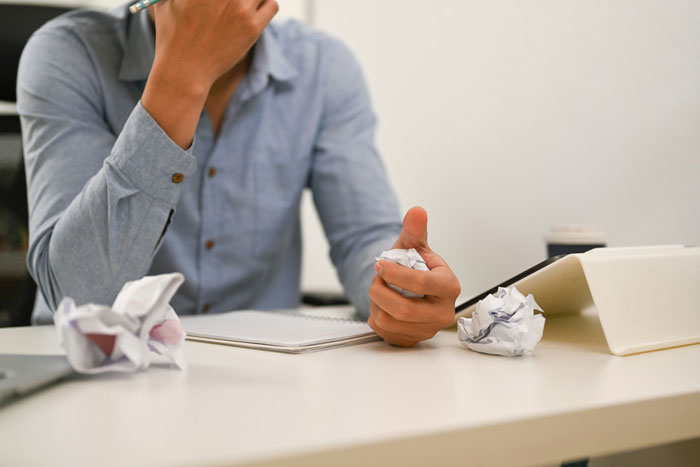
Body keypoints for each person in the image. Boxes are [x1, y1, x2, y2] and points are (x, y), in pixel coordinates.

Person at [17, 0, 460, 347]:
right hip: (91, 376)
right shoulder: (66, 53)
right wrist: (183, 76)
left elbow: (363, 239)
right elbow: (76, 300)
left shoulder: (323, 66)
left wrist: (398, 292)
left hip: (260, 376)